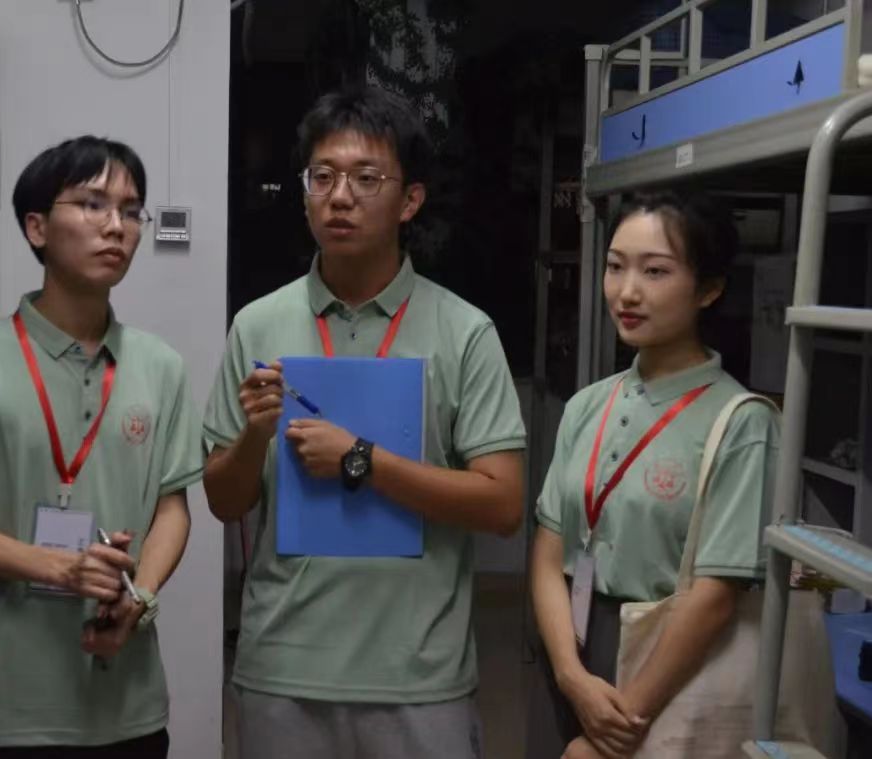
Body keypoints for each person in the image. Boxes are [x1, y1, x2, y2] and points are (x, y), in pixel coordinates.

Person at [203, 85, 526, 759]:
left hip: (419, 675)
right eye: (322, 177)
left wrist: (362, 460)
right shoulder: (258, 324)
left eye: (366, 178)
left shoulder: (464, 331)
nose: (340, 197)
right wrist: (255, 433)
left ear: (411, 200)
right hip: (283, 668)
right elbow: (223, 501)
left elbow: (502, 505)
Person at [0, 136, 202, 757]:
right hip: (4, 708)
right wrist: (59, 568)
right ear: (37, 227)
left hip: (126, 703)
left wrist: (140, 600)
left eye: (131, 211)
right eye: (93, 204)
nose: (116, 226)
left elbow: (173, 509)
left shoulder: (161, 367)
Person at [527, 192, 779, 759]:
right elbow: (549, 552)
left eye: (656, 271)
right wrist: (569, 675)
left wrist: (617, 728)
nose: (627, 291)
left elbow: (714, 597)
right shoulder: (587, 405)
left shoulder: (742, 421)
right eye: (616, 266)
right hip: (570, 644)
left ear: (708, 289)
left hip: (668, 670)